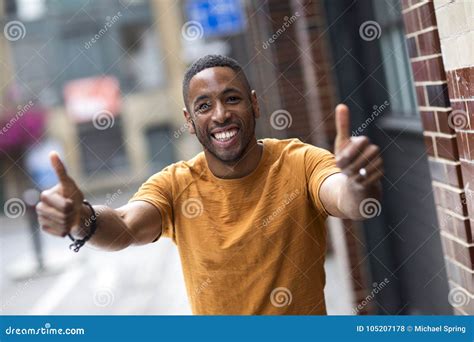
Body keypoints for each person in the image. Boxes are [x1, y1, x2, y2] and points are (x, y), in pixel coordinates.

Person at [36, 55, 383, 314]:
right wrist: (80, 219)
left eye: (232, 99)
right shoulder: (176, 184)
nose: (220, 115)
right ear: (189, 121)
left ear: (254, 103)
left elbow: (345, 196)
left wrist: (357, 180)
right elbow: (125, 227)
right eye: (204, 105)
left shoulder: (299, 161)